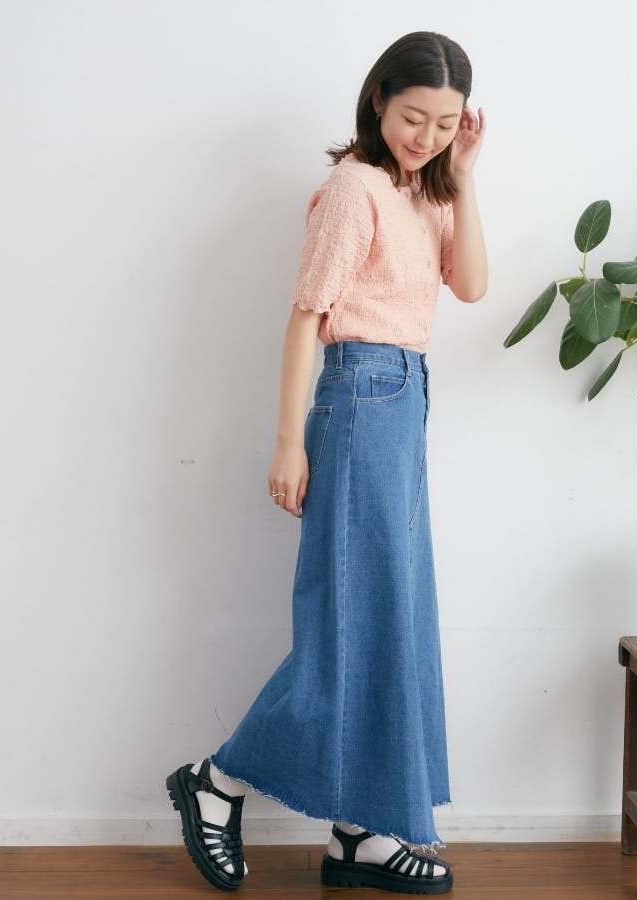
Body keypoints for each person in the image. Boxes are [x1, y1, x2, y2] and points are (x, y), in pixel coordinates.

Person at [166, 30, 486, 894]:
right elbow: (307, 316)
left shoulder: (424, 190)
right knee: (349, 624)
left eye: (445, 124)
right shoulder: (354, 189)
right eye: (413, 117)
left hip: (404, 402)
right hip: (359, 399)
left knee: (391, 622)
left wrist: (462, 177)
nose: (425, 136)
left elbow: (471, 285)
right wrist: (287, 441)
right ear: (378, 100)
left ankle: (360, 833)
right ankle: (217, 780)